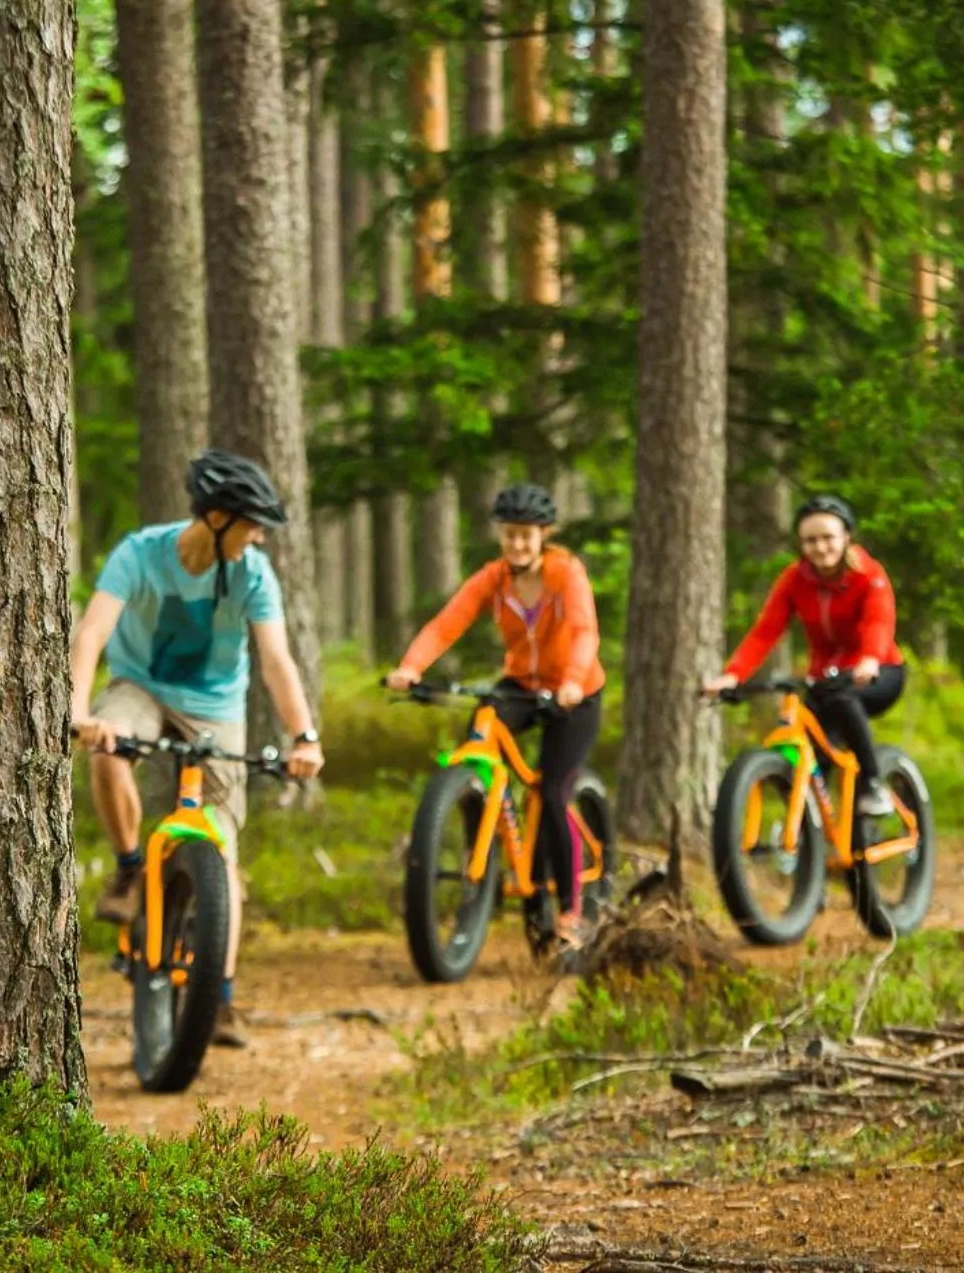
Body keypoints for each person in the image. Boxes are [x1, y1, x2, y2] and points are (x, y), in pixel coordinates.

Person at [70, 449, 325, 1048]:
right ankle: (131, 871)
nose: (258, 537)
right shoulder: (141, 553)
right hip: (141, 688)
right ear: (215, 517)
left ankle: (221, 998)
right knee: (108, 753)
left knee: (223, 855)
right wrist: (80, 712)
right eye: (251, 523)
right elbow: (93, 631)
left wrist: (304, 735)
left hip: (215, 708)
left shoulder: (254, 574)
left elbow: (276, 662)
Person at [383, 483, 605, 951]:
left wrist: (571, 680)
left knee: (552, 792)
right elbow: (448, 622)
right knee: (478, 738)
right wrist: (411, 667)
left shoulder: (567, 574)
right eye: (509, 536)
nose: (517, 545)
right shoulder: (494, 578)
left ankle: (571, 910)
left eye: (526, 536)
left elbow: (584, 630)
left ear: (545, 535)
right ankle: (479, 850)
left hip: (575, 692)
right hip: (522, 686)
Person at [701, 494, 903, 817]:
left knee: (843, 700)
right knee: (806, 749)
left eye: (828, 538)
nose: (820, 547)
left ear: (846, 537)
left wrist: (869, 658)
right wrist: (733, 675)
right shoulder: (795, 580)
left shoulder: (868, 574)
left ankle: (874, 784)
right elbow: (765, 631)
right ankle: (816, 831)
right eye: (810, 540)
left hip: (880, 671)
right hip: (825, 679)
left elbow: (879, 620)